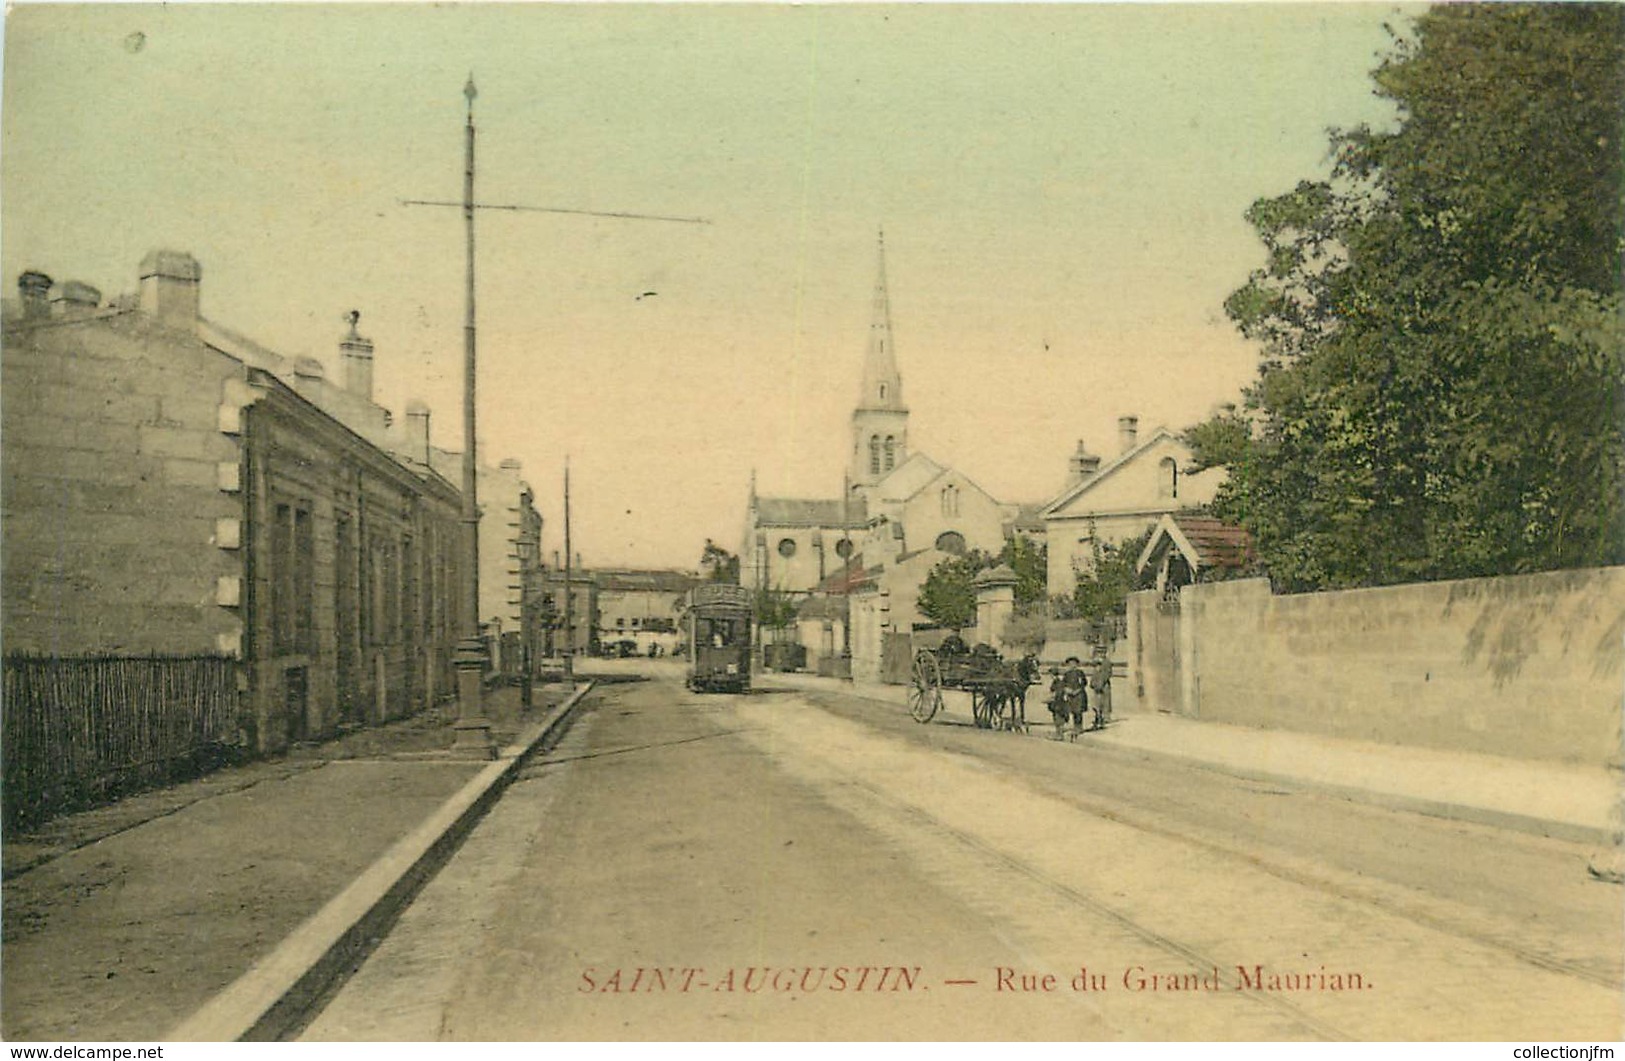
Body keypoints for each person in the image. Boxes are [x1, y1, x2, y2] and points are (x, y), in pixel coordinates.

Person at [1049, 656, 1088, 740]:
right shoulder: (1067, 674)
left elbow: (1083, 683)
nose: (1072, 665)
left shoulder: (1080, 673)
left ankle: (1079, 727)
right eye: (1070, 664)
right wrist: (1067, 689)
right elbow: (1063, 684)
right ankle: (1074, 727)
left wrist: (1077, 690)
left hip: (1079, 694)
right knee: (1073, 710)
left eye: (1073, 663)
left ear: (1076, 664)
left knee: (1078, 711)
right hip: (1070, 694)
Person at [1089, 649, 1114, 730]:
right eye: (1099, 653)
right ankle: (1099, 716)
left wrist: (1102, 682)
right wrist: (1095, 684)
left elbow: (1109, 673)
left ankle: (1106, 716)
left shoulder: (1107, 662)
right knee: (1097, 702)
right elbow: (1093, 676)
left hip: (1105, 683)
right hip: (1097, 684)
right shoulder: (1096, 662)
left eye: (1102, 652)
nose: (1101, 654)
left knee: (1106, 700)